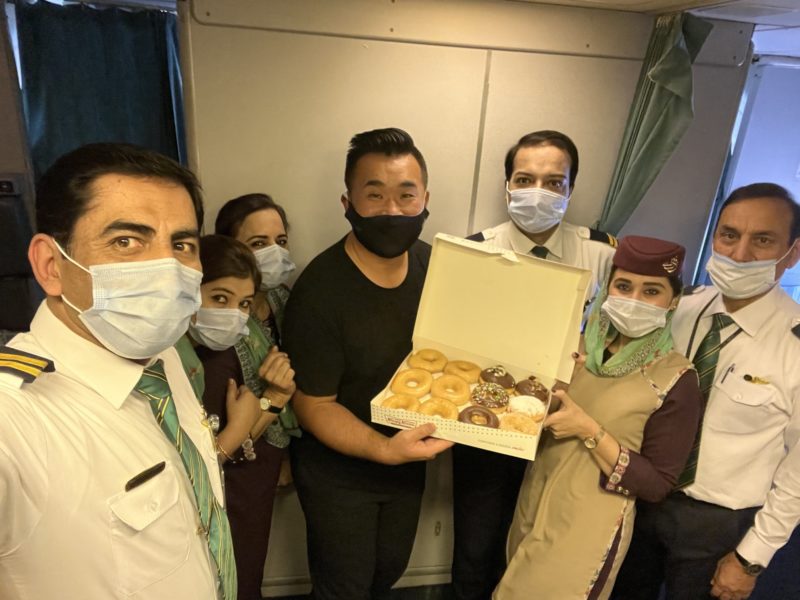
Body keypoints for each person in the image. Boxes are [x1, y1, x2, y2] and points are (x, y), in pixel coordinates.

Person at [0, 143, 241, 599]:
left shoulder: (162, 357)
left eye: (182, 244)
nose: (166, 268)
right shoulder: (13, 417)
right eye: (126, 241)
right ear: (51, 266)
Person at [282, 127, 453, 600]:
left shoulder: (434, 268)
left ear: (425, 199)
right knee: (345, 586)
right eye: (374, 195)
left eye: (406, 195)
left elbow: (462, 356)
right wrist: (384, 450)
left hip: (406, 461)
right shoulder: (319, 291)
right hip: (339, 472)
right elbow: (314, 404)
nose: (392, 210)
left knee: (388, 573)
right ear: (348, 202)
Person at [611, 183, 800, 600]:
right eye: (729, 235)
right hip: (645, 497)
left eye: (762, 240)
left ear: (793, 253)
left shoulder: (795, 347)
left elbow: (797, 475)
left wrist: (752, 557)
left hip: (719, 526)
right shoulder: (679, 308)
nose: (738, 254)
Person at [453, 129, 618, 600]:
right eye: (525, 179)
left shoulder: (603, 255)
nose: (538, 192)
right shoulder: (474, 251)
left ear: (570, 189)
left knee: (545, 540)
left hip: (566, 424)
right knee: (476, 544)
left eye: (553, 182)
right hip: (488, 419)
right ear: (507, 184)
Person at [495, 235, 703, 600]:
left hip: (589, 523)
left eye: (651, 291)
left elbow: (657, 484)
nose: (634, 300)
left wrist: (589, 429)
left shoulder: (676, 378)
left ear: (673, 301)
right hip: (535, 500)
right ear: (607, 288)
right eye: (623, 286)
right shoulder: (578, 348)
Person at [179, 234, 296, 600]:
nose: (233, 314)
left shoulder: (233, 345)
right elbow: (195, 468)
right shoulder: (172, 361)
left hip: (241, 496)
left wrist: (271, 402)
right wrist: (248, 420)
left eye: (243, 303)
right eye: (218, 298)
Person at [214, 194, 300, 470]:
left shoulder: (283, 300)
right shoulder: (218, 325)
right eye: (259, 244)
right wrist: (274, 397)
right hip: (236, 466)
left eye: (281, 241)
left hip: (280, 454)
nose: (274, 252)